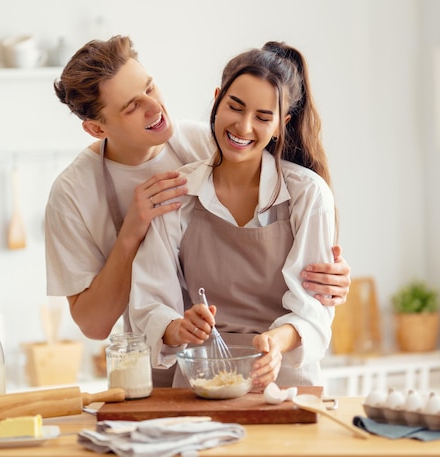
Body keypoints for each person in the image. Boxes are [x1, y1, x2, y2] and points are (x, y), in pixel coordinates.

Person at [45, 36, 350, 369]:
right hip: (154, 365)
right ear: (95, 128)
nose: (154, 107)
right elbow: (93, 325)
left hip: (239, 360)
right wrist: (132, 231)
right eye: (131, 107)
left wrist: (328, 279)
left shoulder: (214, 143)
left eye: (150, 88)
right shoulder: (71, 194)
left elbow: (287, 228)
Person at [128, 41, 337, 389]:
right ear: (217, 99)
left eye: (263, 117)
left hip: (284, 387)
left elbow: (314, 309)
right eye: (235, 108)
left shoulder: (308, 195)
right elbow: (149, 304)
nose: (243, 127)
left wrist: (275, 342)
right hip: (201, 384)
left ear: (281, 125)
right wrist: (178, 327)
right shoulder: (177, 194)